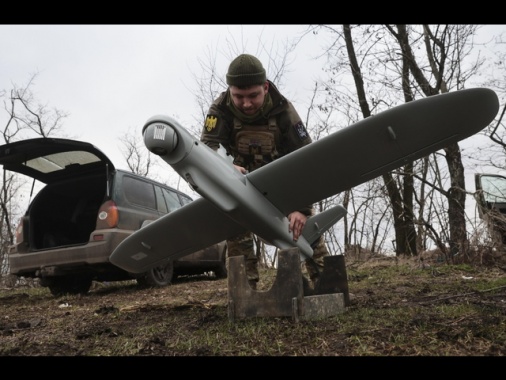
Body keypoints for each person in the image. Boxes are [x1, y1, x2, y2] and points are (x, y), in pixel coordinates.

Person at [200, 53, 330, 290]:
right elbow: (206, 149)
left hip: (282, 185)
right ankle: (244, 294)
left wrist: (301, 208)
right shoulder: (219, 110)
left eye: (253, 96)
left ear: (265, 87)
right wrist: (224, 167)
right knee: (236, 233)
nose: (246, 104)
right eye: (238, 96)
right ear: (229, 90)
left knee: (306, 231)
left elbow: (308, 159)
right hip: (240, 186)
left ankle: (327, 286)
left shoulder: (283, 111)